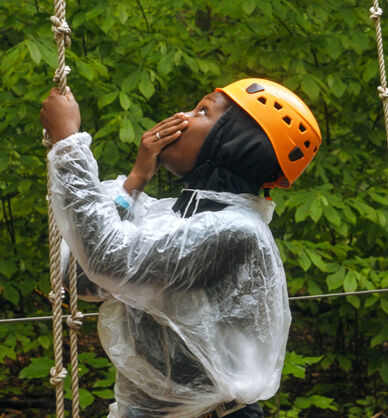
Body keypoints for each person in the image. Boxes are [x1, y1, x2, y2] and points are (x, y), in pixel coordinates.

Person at [39, 78, 321, 417]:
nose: (181, 116)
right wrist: (132, 184)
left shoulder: (234, 230)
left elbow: (106, 258)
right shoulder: (176, 217)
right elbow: (83, 278)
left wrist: (69, 142)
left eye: (201, 111)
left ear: (233, 144)